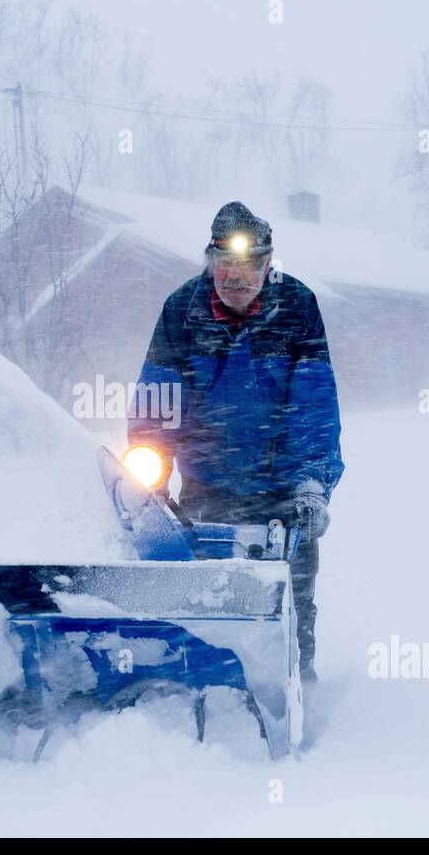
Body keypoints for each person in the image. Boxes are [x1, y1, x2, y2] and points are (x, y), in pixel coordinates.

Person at [127, 201, 344, 681]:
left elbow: (313, 403)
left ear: (269, 265)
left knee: (290, 600)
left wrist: (312, 482)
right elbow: (158, 400)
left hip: (283, 494)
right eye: (224, 264)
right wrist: (151, 475)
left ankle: (294, 687)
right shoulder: (182, 310)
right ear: (209, 262)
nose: (235, 277)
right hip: (208, 488)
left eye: (248, 265)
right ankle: (205, 683)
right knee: (202, 598)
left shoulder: (297, 309)